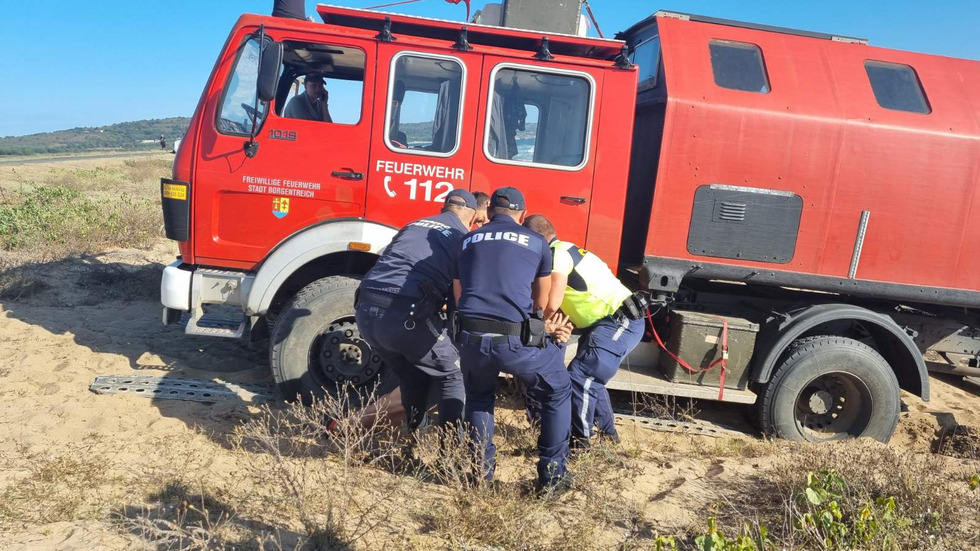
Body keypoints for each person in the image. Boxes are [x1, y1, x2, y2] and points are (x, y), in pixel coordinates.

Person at [454, 187, 573, 494]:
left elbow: (458, 296)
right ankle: (552, 476)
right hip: (514, 341)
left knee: (479, 397)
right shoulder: (537, 242)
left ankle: (481, 473)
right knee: (558, 389)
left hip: (470, 337)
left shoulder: (466, 240)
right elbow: (544, 304)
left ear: (489, 211)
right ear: (522, 214)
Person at [354, 189, 478, 432]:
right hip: (403, 313)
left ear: (444, 208)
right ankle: (451, 452)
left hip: (365, 310)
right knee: (453, 372)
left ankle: (415, 437)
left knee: (412, 376)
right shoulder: (462, 237)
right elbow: (458, 296)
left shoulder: (413, 225)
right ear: (472, 217)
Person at [523, 214, 649, 448]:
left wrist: (537, 327)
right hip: (603, 324)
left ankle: (580, 442)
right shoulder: (568, 249)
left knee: (581, 377)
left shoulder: (556, 254)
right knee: (591, 377)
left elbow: (552, 302)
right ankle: (608, 437)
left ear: (537, 238)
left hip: (618, 321)